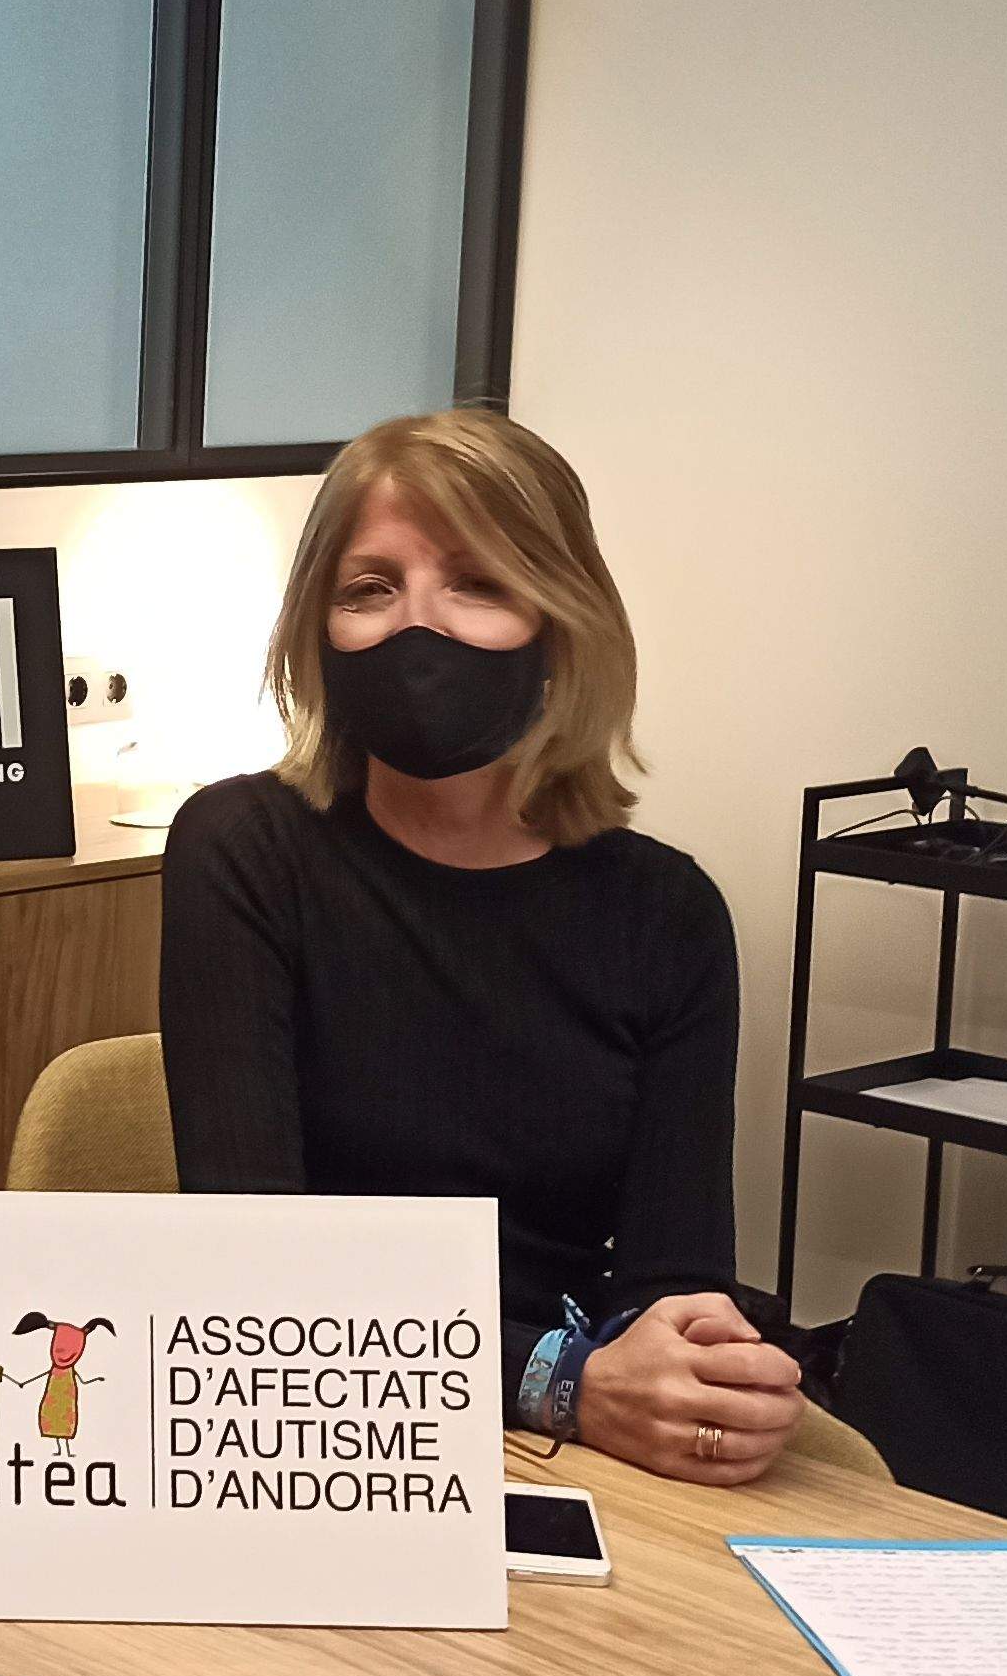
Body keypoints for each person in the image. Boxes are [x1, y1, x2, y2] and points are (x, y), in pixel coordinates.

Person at [160, 406, 809, 1485]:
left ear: (561, 622)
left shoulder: (669, 914)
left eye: (477, 583)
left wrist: (711, 1380)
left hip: (583, 1465)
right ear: (315, 630)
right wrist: (564, 1380)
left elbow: (678, 1286)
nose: (420, 628)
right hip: (312, 1442)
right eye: (370, 589)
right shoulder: (243, 850)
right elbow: (253, 1282)